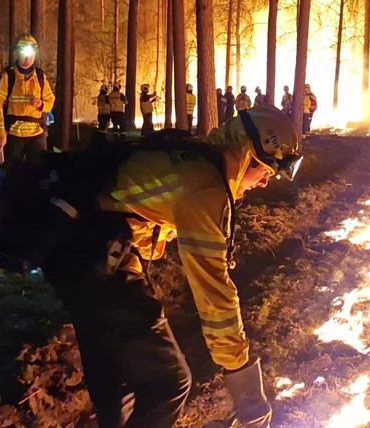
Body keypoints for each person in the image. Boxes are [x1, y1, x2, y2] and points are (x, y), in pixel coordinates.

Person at [17, 105, 303, 428]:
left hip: (78, 256)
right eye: (265, 170)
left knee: (117, 383)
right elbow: (214, 294)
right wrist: (247, 389)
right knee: (169, 382)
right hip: (96, 262)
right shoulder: (207, 188)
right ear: (249, 154)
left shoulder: (196, 157)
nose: (264, 182)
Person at [0, 34, 56, 166]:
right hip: (14, 135)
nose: (27, 57)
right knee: (12, 176)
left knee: (39, 174)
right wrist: (0, 133)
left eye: (31, 53)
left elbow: (50, 102)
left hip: (37, 134)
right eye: (23, 52)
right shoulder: (7, 76)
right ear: (17, 53)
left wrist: (41, 104)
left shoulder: (40, 77)